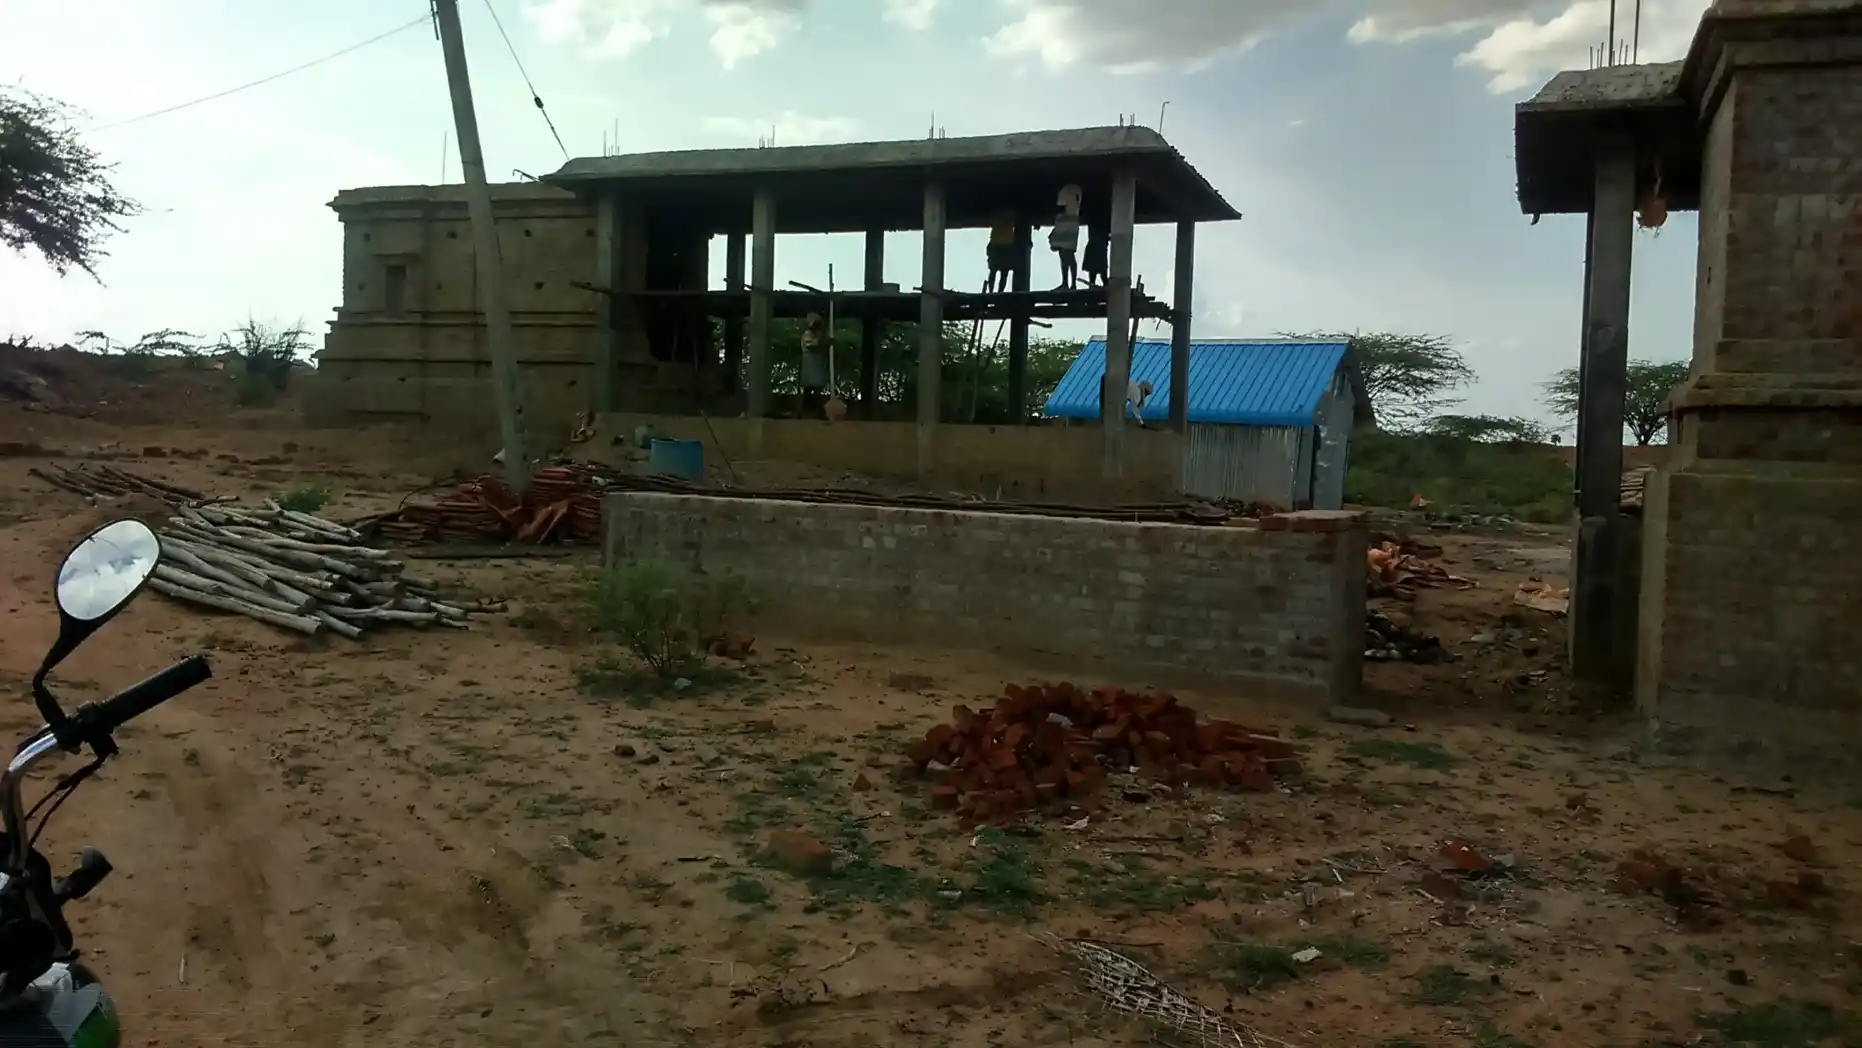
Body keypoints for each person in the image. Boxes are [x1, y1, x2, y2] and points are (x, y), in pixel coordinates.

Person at [1050, 184, 1082, 290]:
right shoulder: (1077, 189)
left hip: (1065, 224)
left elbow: (1061, 208)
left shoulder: (1066, 190)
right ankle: (1069, 283)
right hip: (1072, 223)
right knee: (1068, 255)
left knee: (1066, 256)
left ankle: (1067, 283)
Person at [985, 209, 1016, 293]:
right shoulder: (1010, 214)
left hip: (1000, 244)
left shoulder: (998, 214)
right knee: (1001, 272)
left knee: (997, 272)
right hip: (1003, 245)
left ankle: (995, 292)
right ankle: (997, 292)